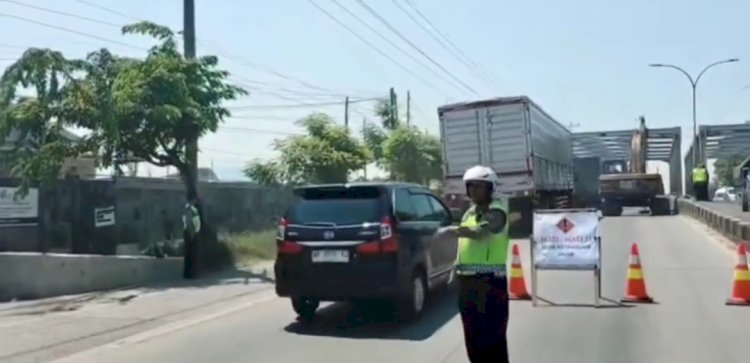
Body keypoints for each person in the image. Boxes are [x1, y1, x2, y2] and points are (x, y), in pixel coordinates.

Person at [436, 165, 510, 363]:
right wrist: (455, 269)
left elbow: (481, 232)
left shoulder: (498, 211)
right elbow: (464, 247)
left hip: (491, 285)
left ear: (491, 188)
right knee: (473, 338)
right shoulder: (469, 213)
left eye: (479, 186)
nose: (474, 191)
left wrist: (453, 230)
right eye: (471, 186)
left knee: (493, 340)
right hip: (467, 284)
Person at [182, 190, 202, 279]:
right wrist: (192, 234)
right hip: (191, 233)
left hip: (191, 232)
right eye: (195, 199)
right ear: (192, 199)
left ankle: (189, 273)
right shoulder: (190, 209)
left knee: (190, 254)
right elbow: (189, 222)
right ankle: (190, 274)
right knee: (191, 255)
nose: (196, 201)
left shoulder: (190, 208)